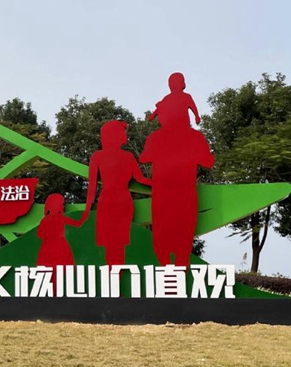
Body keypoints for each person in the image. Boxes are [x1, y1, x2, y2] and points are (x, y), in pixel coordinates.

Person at [140, 106, 214, 267]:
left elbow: (144, 158)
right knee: (183, 237)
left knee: (162, 236)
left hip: (164, 194)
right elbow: (208, 161)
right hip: (184, 194)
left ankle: (168, 270)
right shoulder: (194, 137)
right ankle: (178, 269)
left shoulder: (155, 137)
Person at [73, 121, 151, 266]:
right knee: (115, 244)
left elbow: (92, 188)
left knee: (115, 244)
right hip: (116, 202)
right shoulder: (122, 157)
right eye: (123, 133)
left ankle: (115, 274)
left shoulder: (100, 156)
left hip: (112, 202)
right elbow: (140, 179)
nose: (125, 136)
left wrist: (86, 212)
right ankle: (114, 275)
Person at [36, 193, 78, 270]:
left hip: (48, 245)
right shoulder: (60, 218)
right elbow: (77, 223)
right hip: (59, 244)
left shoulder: (45, 220)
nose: (63, 207)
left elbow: (40, 234)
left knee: (47, 268)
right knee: (66, 268)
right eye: (61, 205)